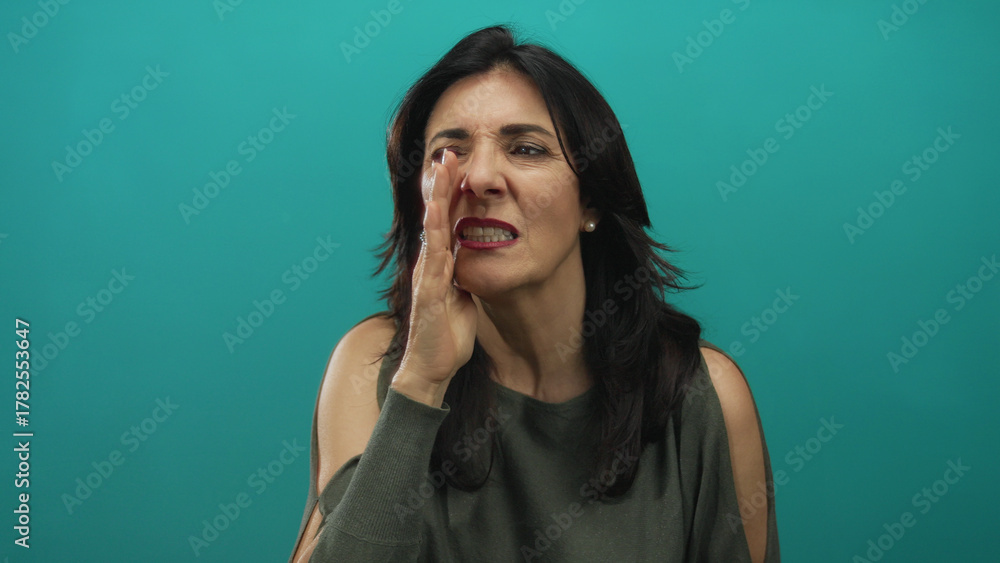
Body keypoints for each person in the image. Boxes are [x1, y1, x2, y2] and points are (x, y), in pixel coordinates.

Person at [289, 24, 779, 562]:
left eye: (525, 148)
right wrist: (421, 385)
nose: (479, 178)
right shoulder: (373, 366)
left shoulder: (704, 397)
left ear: (591, 201)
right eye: (448, 153)